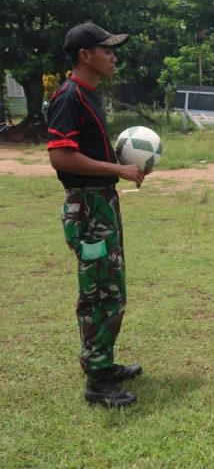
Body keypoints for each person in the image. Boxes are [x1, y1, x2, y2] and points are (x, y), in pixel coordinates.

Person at [47, 23, 144, 408]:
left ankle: (104, 365)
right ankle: (97, 382)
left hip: (101, 203)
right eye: (106, 50)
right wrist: (117, 171)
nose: (113, 56)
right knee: (98, 293)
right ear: (85, 55)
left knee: (112, 290)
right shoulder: (69, 96)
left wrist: (123, 164)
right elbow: (60, 155)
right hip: (87, 208)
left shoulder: (88, 95)